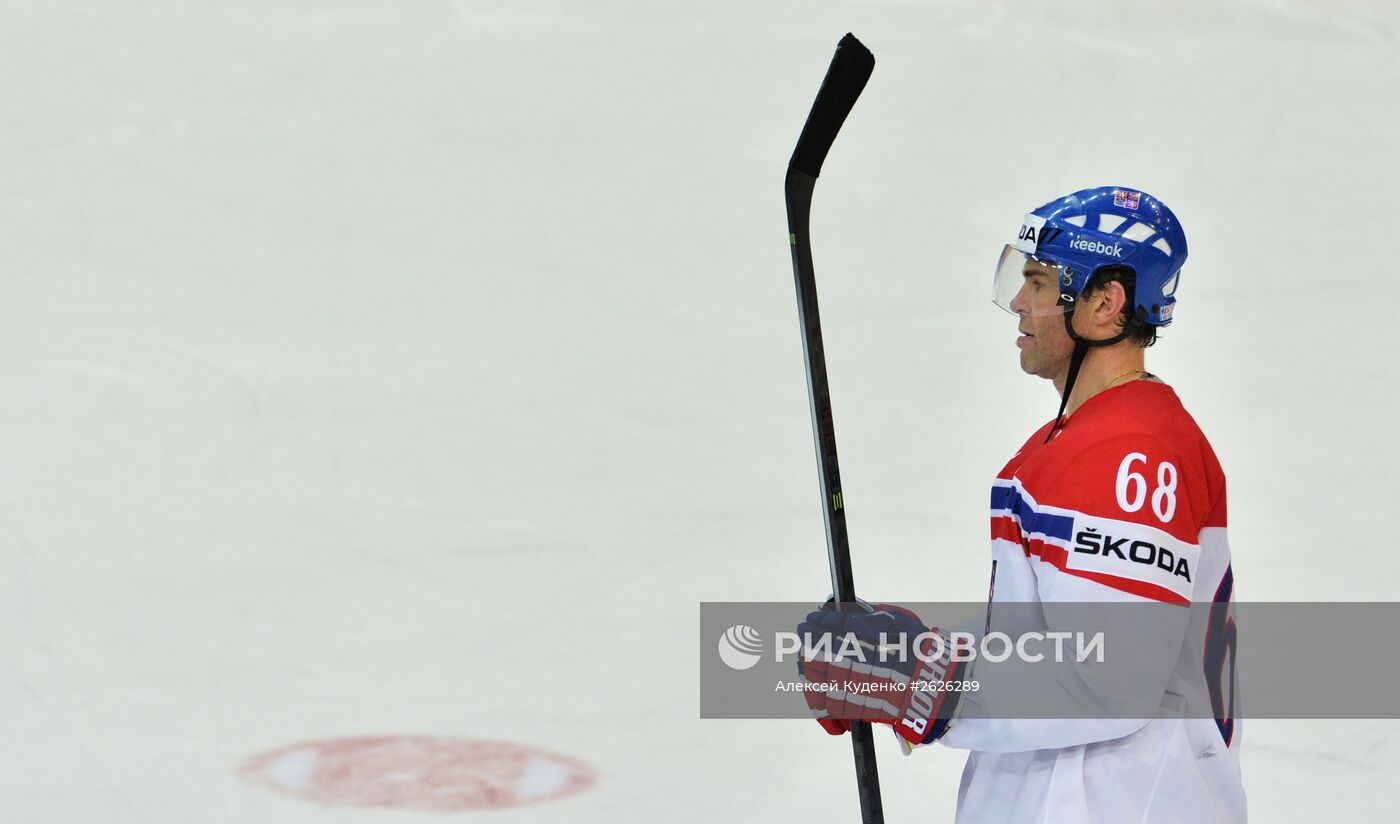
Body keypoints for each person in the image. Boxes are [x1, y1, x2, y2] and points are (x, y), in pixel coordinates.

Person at [796, 187, 1245, 822]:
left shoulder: (1130, 453)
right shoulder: (1091, 441)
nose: (1018, 302)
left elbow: (1112, 678)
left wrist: (925, 686)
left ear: (1105, 303)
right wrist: (899, 658)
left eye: (1038, 282)